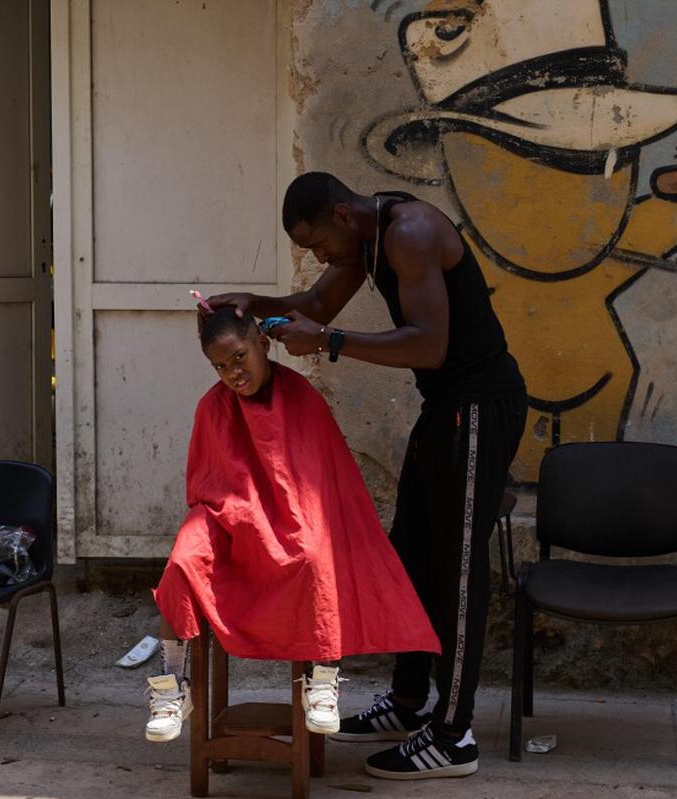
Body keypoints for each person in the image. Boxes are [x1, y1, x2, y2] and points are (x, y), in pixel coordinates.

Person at [208, 172, 527, 780]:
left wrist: (329, 343)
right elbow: (316, 306)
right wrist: (254, 304)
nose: (319, 257)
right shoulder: (363, 240)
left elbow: (429, 347)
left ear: (342, 214)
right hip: (445, 408)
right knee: (409, 552)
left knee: (458, 568)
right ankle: (407, 702)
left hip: (480, 408)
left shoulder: (410, 232)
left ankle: (453, 736)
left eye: (318, 244)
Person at [143, 305, 439, 744]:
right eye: (220, 366)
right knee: (183, 560)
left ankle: (323, 677)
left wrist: (271, 522)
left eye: (239, 357)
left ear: (263, 344)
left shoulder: (302, 398)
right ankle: (172, 686)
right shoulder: (212, 406)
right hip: (229, 516)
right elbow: (206, 486)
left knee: (316, 555)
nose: (233, 373)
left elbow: (317, 485)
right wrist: (242, 517)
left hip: (294, 513)